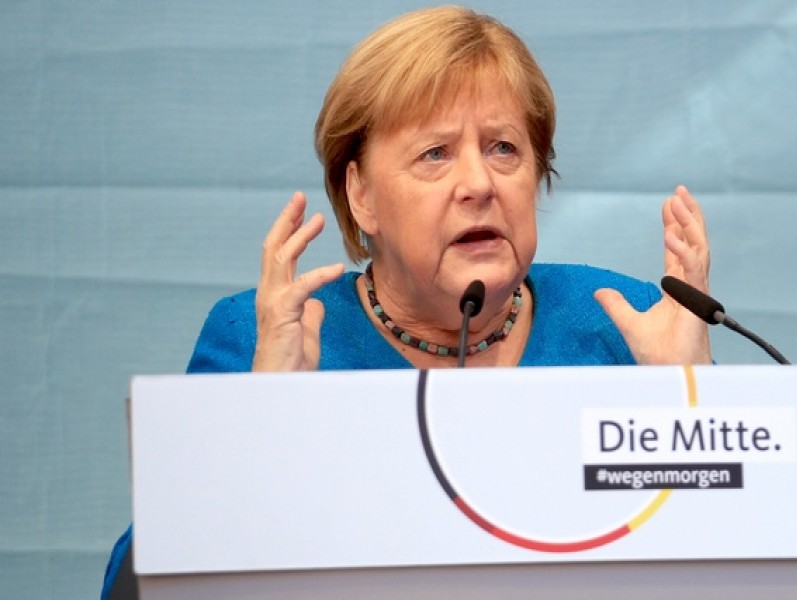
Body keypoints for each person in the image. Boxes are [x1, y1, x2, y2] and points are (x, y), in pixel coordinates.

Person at [101, 5, 711, 598]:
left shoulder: (622, 323)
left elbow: (737, 564)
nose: (478, 184)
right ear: (361, 194)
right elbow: (135, 589)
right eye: (434, 153)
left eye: (503, 148)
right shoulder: (263, 337)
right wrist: (264, 419)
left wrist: (696, 403)